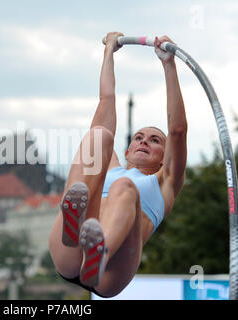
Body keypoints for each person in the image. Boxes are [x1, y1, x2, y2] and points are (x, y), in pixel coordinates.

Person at [48, 32, 188, 298]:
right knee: (98, 136)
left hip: (112, 271)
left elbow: (178, 130)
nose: (144, 141)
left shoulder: (166, 183)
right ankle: (74, 226)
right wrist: (109, 52)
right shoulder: (113, 167)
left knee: (124, 188)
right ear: (127, 150)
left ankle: (100, 252)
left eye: (155, 140)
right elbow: (106, 102)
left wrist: (168, 64)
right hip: (69, 252)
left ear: (165, 156)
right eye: (138, 138)